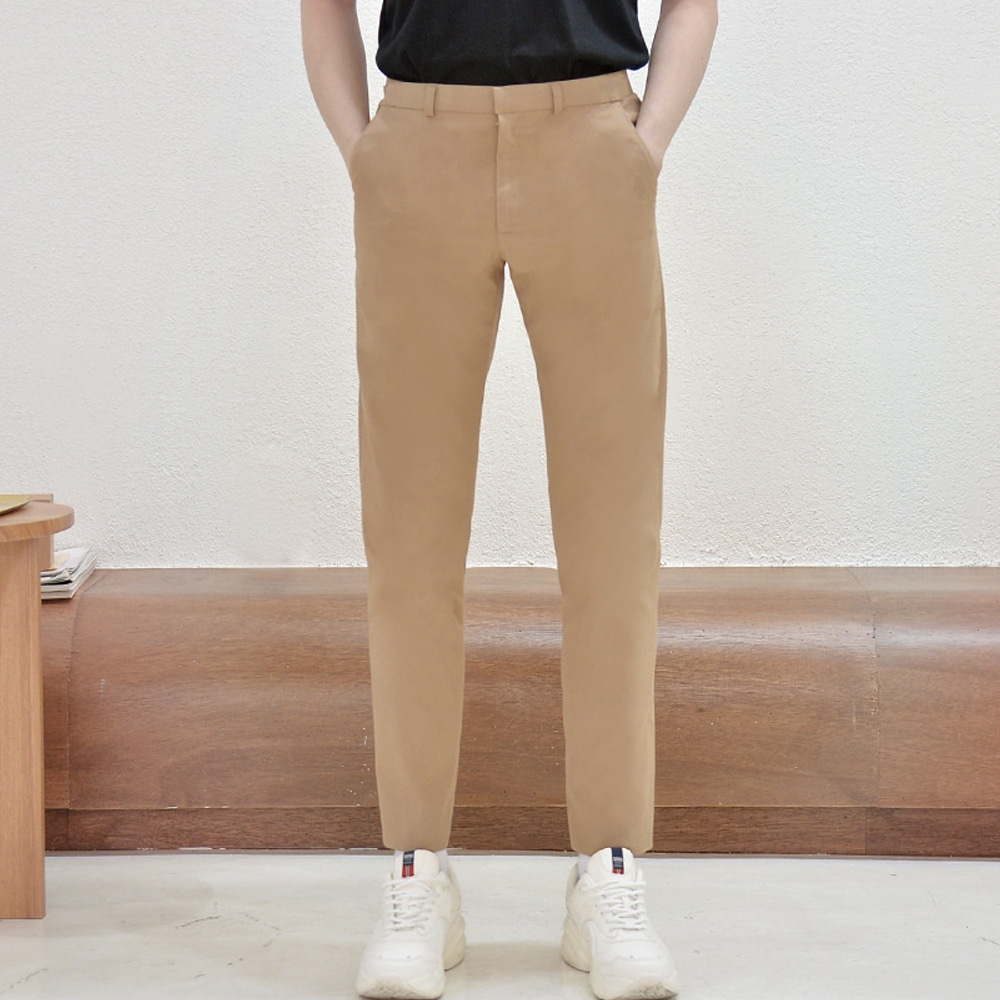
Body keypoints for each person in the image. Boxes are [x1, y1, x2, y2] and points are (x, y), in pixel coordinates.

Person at [301, 1, 718, 996]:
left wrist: (645, 143)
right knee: (409, 538)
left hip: (593, 141)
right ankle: (418, 869)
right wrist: (367, 153)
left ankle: (608, 869)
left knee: (613, 535)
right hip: (417, 144)